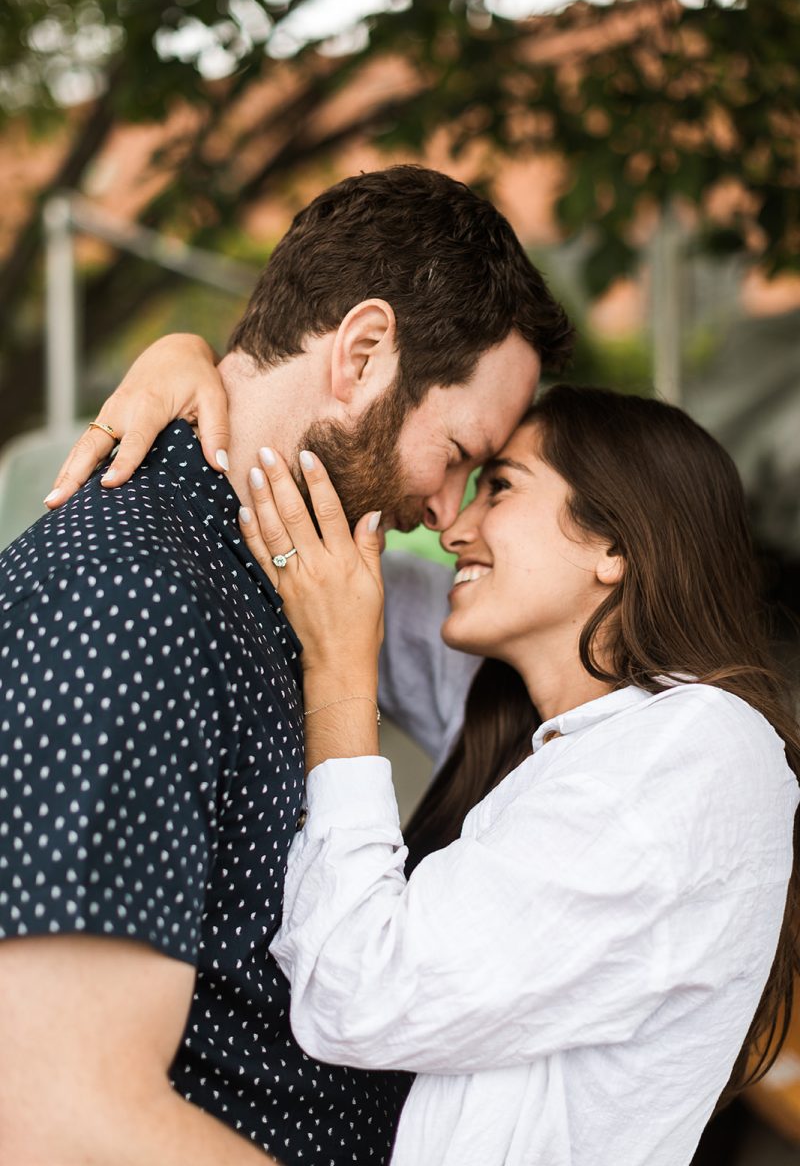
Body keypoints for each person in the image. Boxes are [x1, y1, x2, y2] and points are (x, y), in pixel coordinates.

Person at [0, 165, 573, 1165]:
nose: (445, 516)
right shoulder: (131, 591)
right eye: (455, 453)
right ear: (360, 352)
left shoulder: (269, 575)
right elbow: (53, 1106)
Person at [240, 384, 800, 1166]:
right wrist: (192, 372)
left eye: (498, 486)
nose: (454, 528)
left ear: (616, 545)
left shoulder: (696, 751)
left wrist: (339, 676)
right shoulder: (542, 722)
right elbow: (314, 565)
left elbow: (356, 994)